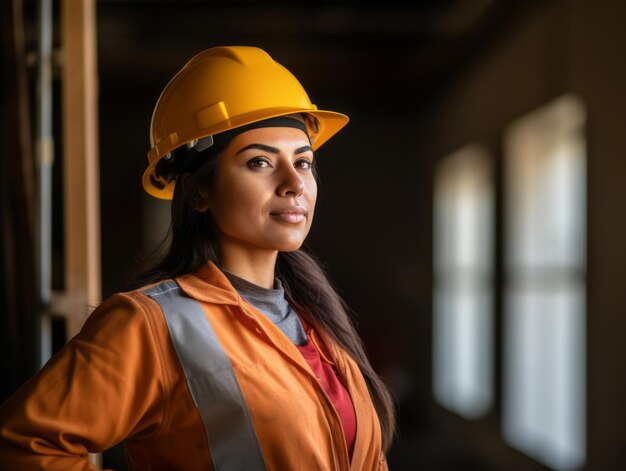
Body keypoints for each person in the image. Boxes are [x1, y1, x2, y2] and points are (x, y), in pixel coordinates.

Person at [0, 46, 395, 470]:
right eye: (260, 161)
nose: (294, 183)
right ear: (197, 191)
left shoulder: (317, 318)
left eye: (304, 161)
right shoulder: (150, 325)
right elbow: (24, 444)